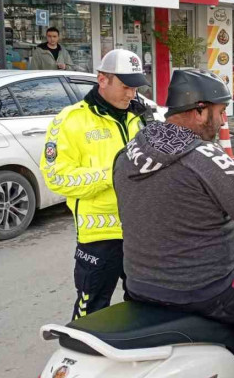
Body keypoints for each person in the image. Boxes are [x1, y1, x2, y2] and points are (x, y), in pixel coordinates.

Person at [112, 69, 234, 378]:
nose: (221, 122)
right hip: (206, 287)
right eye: (219, 113)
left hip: (140, 285)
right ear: (199, 109)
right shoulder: (204, 157)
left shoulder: (128, 153)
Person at [39, 49, 149, 320]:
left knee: (144, 303)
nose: (131, 94)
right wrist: (114, 173)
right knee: (91, 311)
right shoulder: (71, 120)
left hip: (142, 232)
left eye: (135, 87)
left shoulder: (142, 116)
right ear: (102, 79)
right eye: (125, 87)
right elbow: (56, 176)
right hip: (99, 236)